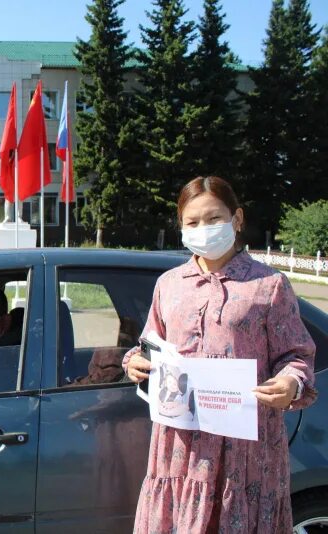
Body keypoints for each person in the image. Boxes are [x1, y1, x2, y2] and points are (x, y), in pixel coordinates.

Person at [124, 176, 316, 533]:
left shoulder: (269, 285)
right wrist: (135, 362)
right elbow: (149, 345)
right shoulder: (169, 284)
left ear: (237, 219)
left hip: (245, 449)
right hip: (180, 446)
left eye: (214, 219)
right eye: (192, 222)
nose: (203, 229)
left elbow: (297, 355)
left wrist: (290, 381)